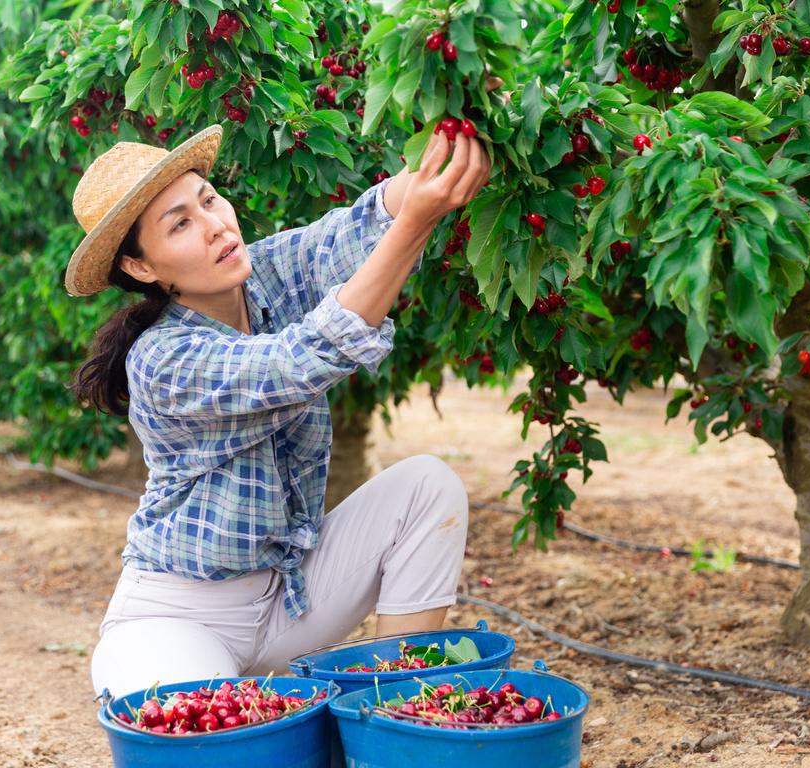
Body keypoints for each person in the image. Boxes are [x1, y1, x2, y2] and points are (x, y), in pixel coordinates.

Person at [64, 123, 491, 698]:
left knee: (428, 487)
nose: (216, 224)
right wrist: (418, 221)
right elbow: (298, 361)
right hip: (181, 618)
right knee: (220, 738)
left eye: (209, 198)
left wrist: (443, 151)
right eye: (181, 223)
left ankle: (403, 712)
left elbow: (347, 234)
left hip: (291, 597)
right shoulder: (162, 360)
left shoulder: (261, 275)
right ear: (143, 268)